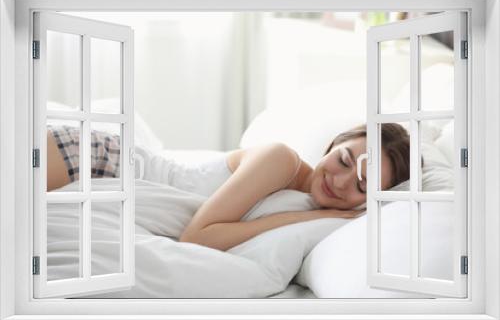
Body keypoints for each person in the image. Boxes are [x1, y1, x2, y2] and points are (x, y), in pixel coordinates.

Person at [47, 123, 410, 252]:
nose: (339, 181)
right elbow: (196, 238)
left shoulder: (305, 202)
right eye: (344, 160)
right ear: (331, 145)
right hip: (98, 157)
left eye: (362, 186)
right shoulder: (280, 159)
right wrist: (325, 215)